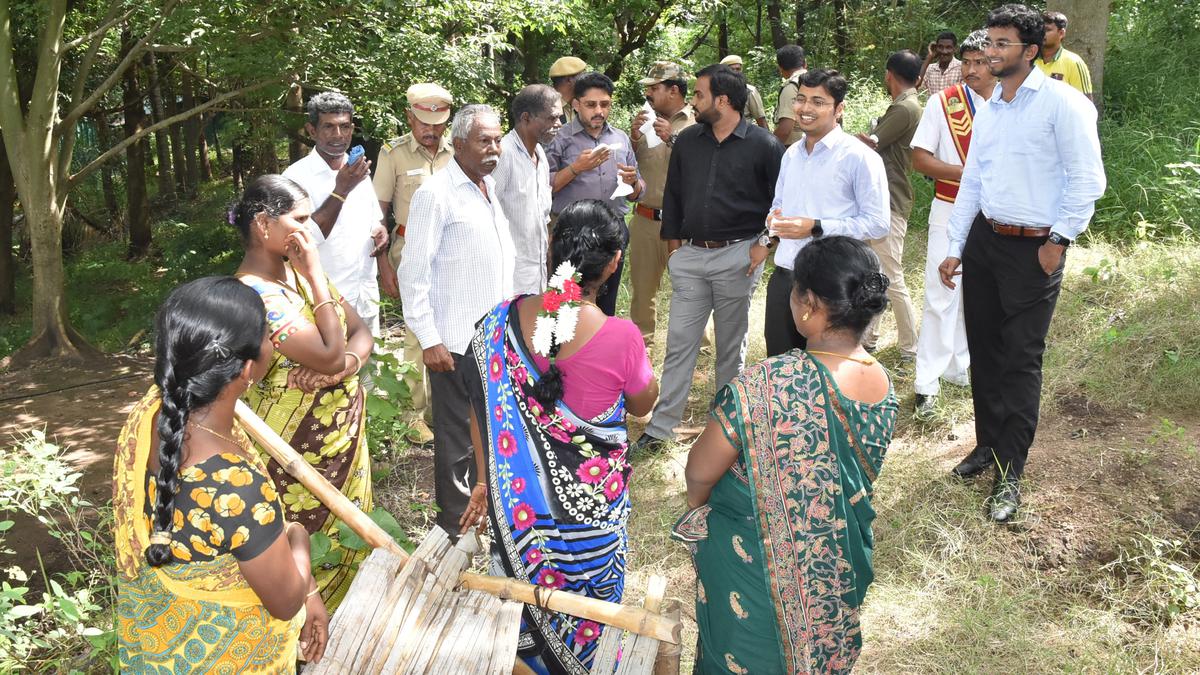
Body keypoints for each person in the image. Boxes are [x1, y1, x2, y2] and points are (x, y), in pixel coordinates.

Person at [676, 236, 898, 674]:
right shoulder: (883, 384)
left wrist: (702, 511)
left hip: (750, 565)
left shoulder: (765, 383)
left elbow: (700, 471)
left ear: (809, 304)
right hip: (834, 572)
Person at [459, 200, 658, 674]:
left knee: (519, 624)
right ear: (612, 265)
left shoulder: (497, 325)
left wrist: (486, 480)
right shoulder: (622, 337)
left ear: (551, 247)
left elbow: (479, 409)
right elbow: (644, 404)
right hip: (593, 527)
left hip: (521, 519)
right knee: (587, 624)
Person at [938, 3, 1105, 522]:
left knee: (1019, 357)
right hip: (986, 241)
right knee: (985, 350)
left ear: (1030, 51)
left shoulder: (1063, 105)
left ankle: (1011, 472)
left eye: (1001, 44)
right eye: (989, 43)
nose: (989, 53)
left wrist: (1057, 242)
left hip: (1035, 248)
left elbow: (1087, 181)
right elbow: (974, 181)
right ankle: (987, 445)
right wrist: (954, 244)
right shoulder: (991, 109)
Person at [115, 276, 328, 670]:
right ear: (248, 368)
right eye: (268, 335)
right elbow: (284, 603)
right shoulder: (234, 486)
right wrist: (297, 538)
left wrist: (309, 589)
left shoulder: (148, 416)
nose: (274, 344)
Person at [232, 175, 376, 610]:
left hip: (341, 446)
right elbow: (332, 352)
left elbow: (361, 333)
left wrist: (343, 369)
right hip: (294, 456)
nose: (309, 230)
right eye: (299, 219)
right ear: (263, 224)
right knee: (308, 545)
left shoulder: (296, 275)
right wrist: (316, 279)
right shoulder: (255, 294)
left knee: (353, 537)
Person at [632, 64, 784, 454]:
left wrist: (763, 245)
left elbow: (783, 203)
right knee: (679, 343)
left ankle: (727, 427)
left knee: (730, 348)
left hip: (739, 255)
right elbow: (675, 197)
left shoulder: (764, 146)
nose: (693, 101)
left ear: (723, 100)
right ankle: (661, 427)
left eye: (699, 95)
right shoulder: (688, 142)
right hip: (691, 257)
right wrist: (674, 251)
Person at [399, 104, 515, 536]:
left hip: (494, 337)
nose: (495, 149)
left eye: (498, 140)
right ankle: (455, 531)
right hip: (454, 342)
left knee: (491, 430)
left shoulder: (487, 188)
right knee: (456, 441)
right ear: (459, 143)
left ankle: (490, 516)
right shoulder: (436, 194)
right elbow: (413, 273)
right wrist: (429, 339)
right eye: (485, 141)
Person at [765, 69, 890, 357]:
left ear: (839, 109)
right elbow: (777, 205)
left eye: (818, 102)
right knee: (782, 364)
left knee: (830, 370)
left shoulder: (860, 158)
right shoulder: (791, 154)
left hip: (833, 284)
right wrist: (773, 220)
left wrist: (816, 227)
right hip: (786, 276)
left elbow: (878, 223)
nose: (806, 109)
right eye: (801, 99)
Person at [909, 29, 995, 419]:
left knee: (977, 293)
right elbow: (921, 160)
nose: (973, 70)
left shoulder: (1012, 104)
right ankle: (927, 381)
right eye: (969, 62)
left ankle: (960, 365)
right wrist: (970, 174)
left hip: (997, 216)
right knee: (941, 292)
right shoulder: (943, 104)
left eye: (981, 61)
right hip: (950, 206)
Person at [373, 82, 454, 445]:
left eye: (438, 124)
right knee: (414, 333)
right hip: (409, 248)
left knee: (452, 327)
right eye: (424, 122)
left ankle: (444, 408)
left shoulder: (460, 150)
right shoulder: (394, 154)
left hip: (453, 249)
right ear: (409, 117)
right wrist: (382, 265)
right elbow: (378, 212)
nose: (431, 130)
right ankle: (411, 414)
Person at [282, 91, 387, 337]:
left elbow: (373, 219)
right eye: (328, 127)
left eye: (344, 127)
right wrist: (341, 190)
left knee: (370, 374)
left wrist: (380, 231)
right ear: (312, 130)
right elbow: (298, 241)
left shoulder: (358, 168)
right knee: (333, 375)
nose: (338, 136)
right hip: (324, 305)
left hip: (366, 297)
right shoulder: (295, 178)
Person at [546, 72, 644, 316]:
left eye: (605, 104)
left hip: (613, 230)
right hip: (572, 233)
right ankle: (563, 351)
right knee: (565, 303)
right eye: (591, 104)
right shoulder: (559, 139)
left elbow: (638, 191)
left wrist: (633, 184)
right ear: (576, 104)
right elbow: (543, 188)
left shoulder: (620, 138)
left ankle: (603, 346)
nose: (598, 110)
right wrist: (576, 168)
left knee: (606, 300)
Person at [857, 50, 922, 361]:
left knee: (892, 277)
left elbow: (871, 143)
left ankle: (911, 346)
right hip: (883, 198)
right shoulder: (906, 105)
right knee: (876, 272)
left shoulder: (904, 108)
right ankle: (869, 337)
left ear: (889, 74)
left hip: (891, 200)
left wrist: (851, 139)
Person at [628, 61, 696, 343]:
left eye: (654, 88)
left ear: (674, 91)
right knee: (643, 289)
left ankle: (698, 347)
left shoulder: (699, 120)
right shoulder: (644, 121)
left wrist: (674, 138)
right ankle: (641, 344)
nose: (648, 94)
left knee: (692, 288)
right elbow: (630, 167)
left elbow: (705, 163)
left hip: (685, 224)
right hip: (645, 218)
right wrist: (632, 138)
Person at [493, 84, 561, 295]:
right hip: (509, 275)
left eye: (559, 118)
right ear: (526, 118)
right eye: (551, 118)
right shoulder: (504, 155)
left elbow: (542, 216)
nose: (558, 124)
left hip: (537, 271)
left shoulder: (539, 154)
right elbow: (488, 214)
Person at [1035, 10, 1093, 101]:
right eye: (1040, 29)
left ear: (1061, 33)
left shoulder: (1074, 62)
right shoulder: (1028, 60)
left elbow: (1086, 103)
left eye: (1047, 30)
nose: (1041, 33)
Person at [719, 54, 768, 128]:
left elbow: (761, 120)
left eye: (738, 69)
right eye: (732, 69)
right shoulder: (716, 92)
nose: (735, 72)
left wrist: (768, 138)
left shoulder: (750, 91)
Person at [772, 45, 808, 147]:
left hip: (794, 148)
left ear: (780, 67)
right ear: (805, 63)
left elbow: (785, 129)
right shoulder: (818, 82)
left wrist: (768, 149)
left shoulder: (791, 87)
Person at [549, 56, 588, 125]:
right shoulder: (546, 107)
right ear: (569, 80)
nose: (586, 81)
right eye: (583, 76)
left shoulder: (579, 106)